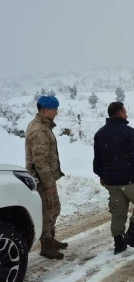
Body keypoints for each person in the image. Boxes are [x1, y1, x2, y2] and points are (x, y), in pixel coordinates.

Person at [93, 102, 134, 255]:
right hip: (130, 180)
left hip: (111, 181)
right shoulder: (129, 132)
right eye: (125, 111)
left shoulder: (100, 133)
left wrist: (101, 174)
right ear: (120, 113)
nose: (126, 114)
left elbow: (97, 158)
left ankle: (118, 243)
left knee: (118, 211)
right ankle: (131, 234)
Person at [25, 95, 66, 260]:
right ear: (45, 110)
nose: (57, 112)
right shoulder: (39, 130)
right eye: (55, 109)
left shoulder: (43, 126)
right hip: (42, 181)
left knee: (54, 209)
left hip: (46, 179)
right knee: (47, 212)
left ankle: (50, 238)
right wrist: (49, 183)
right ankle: (46, 245)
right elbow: (40, 161)